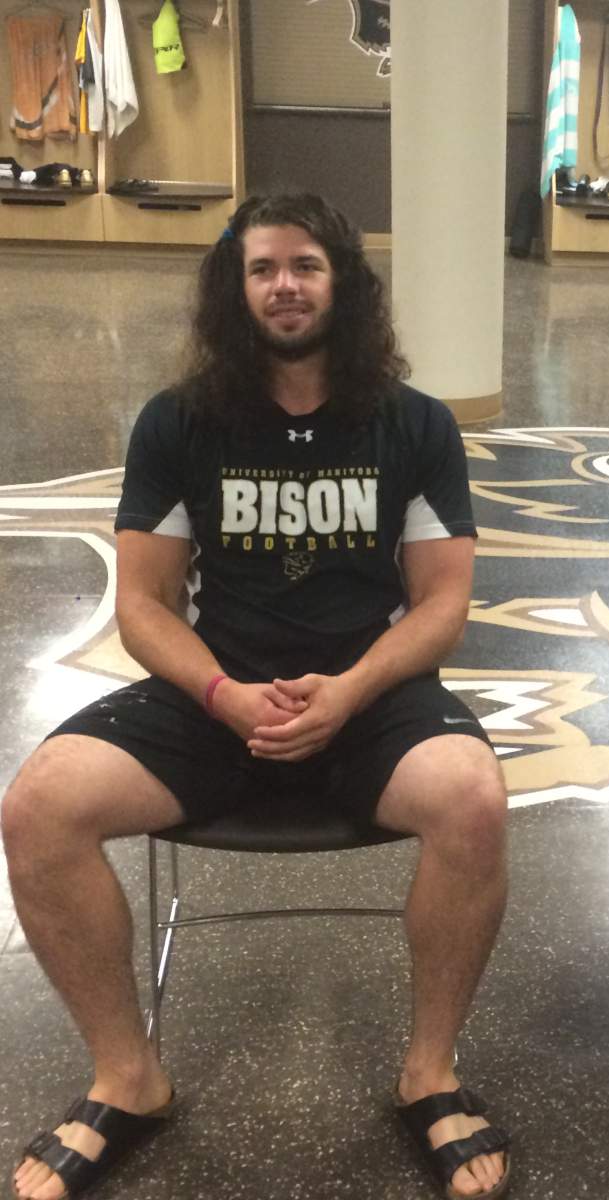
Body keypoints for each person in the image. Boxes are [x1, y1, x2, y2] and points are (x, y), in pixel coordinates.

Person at [3, 194, 511, 1200]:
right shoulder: (180, 421)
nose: (285, 286)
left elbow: (442, 605)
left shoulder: (413, 424)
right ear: (233, 289)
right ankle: (127, 1077)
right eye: (264, 268)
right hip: (219, 690)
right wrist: (222, 693)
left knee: (473, 800)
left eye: (306, 266)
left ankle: (429, 1073)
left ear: (344, 284)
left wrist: (352, 690)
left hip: (371, 693)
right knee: (38, 806)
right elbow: (143, 606)